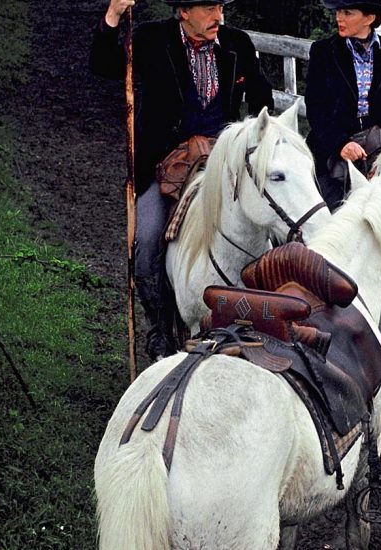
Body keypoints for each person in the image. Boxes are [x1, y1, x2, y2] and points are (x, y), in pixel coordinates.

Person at [90, 0, 274, 360]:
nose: (218, 17)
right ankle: (161, 328)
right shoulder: (152, 39)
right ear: (184, 12)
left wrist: (252, 138)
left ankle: (265, 323)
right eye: (208, 8)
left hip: (225, 161)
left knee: (272, 226)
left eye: (220, 7)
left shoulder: (236, 43)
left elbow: (261, 97)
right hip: (165, 163)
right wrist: (112, 16)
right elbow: (104, 66)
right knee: (145, 244)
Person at [305, 0, 381, 211]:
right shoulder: (323, 52)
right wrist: (340, 144)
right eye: (338, 12)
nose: (339, 18)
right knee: (328, 216)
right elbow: (315, 107)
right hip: (332, 148)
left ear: (370, 18)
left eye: (348, 13)